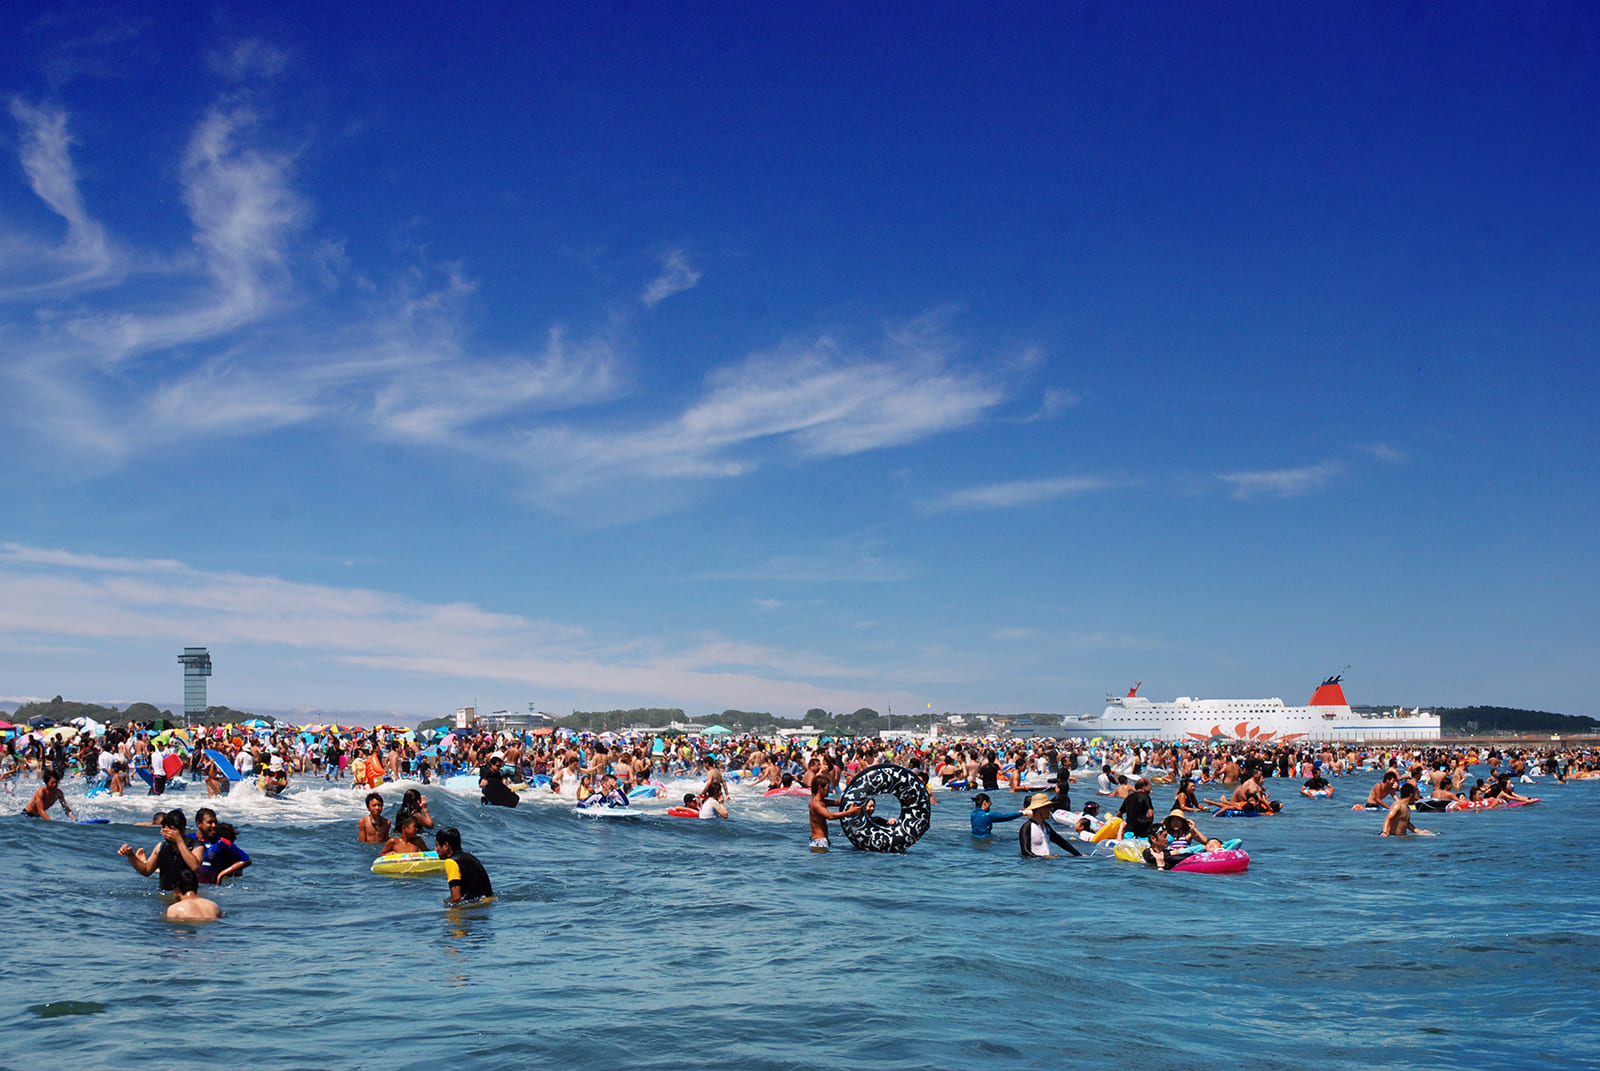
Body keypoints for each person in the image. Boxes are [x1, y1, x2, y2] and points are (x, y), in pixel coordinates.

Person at [118, 809, 195, 892]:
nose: (165, 835)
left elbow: (194, 867)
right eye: (164, 830)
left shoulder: (196, 846)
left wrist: (179, 841)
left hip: (189, 896)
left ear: (182, 829)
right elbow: (146, 870)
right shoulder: (161, 846)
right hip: (167, 894)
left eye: (169, 831)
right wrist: (131, 855)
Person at [807, 775, 870, 850]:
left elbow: (837, 802)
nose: (829, 790)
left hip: (820, 840)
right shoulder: (816, 804)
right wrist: (849, 812)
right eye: (828, 787)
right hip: (819, 841)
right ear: (820, 787)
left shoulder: (821, 802)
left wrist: (854, 798)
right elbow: (830, 816)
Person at [435, 827, 492, 904]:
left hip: (475, 908)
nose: (436, 849)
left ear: (446, 846)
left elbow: (456, 898)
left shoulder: (451, 862)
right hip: (487, 904)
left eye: (437, 845)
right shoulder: (470, 857)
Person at [1018, 792, 1081, 858]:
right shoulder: (1026, 828)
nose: (1050, 810)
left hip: (1047, 864)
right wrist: (1043, 858)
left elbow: (1062, 842)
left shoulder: (1046, 827)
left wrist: (1079, 855)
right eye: (1048, 807)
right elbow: (1025, 852)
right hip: (1034, 865)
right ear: (1040, 809)